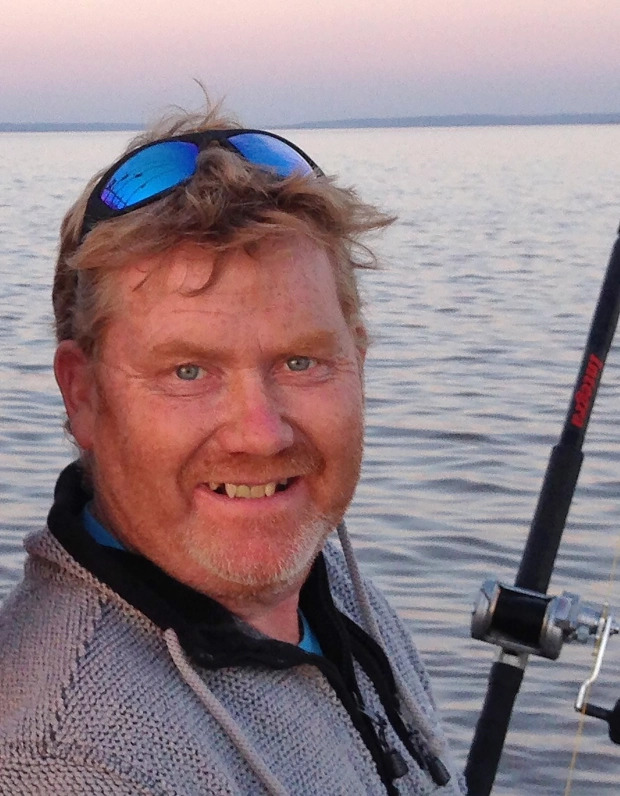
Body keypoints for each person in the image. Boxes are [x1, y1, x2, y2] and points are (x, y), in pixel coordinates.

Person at [0, 101, 466, 795]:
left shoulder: (325, 583)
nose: (260, 433)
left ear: (359, 363)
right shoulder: (73, 763)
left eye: (301, 363)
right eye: (189, 371)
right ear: (84, 396)